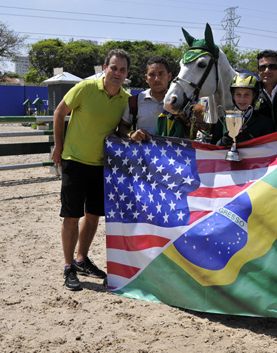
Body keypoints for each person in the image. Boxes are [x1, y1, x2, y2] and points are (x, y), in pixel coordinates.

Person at [52, 49, 131, 291]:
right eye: (113, 68)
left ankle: (82, 259)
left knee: (94, 216)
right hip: (74, 161)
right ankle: (68, 267)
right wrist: (58, 146)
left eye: (122, 69)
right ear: (105, 68)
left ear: (127, 73)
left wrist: (119, 136)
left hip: (101, 166)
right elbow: (59, 112)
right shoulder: (85, 88)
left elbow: (122, 131)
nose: (117, 73)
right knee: (71, 217)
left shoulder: (126, 99)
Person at [117, 56, 173, 142]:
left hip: (172, 154)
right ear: (146, 78)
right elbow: (122, 127)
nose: (157, 79)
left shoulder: (179, 101)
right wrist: (131, 134)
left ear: (169, 76)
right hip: (143, 155)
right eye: (152, 75)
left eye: (161, 74)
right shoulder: (135, 101)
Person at [211, 72, 274, 146]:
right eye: (238, 94)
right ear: (233, 96)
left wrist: (251, 140)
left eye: (247, 95)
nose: (242, 99)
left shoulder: (265, 122)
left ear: (254, 96)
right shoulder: (222, 120)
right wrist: (222, 142)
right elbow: (212, 147)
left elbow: (270, 149)